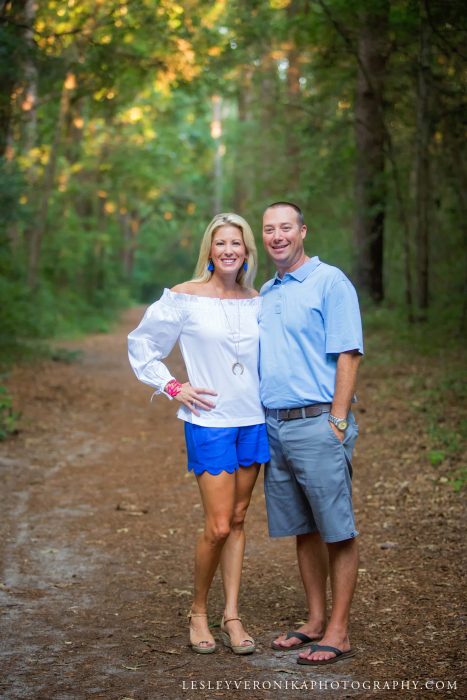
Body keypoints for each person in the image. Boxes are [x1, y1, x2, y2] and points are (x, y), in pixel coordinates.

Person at [127, 213, 270, 655]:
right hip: (209, 421)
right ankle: (198, 611)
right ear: (210, 249)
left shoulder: (259, 300)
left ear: (248, 251)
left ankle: (232, 615)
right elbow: (142, 344)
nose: (230, 250)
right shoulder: (184, 299)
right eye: (221, 242)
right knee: (219, 524)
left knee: (241, 519)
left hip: (254, 420)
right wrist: (174, 386)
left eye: (238, 243)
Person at [259, 201, 363, 666]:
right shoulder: (267, 290)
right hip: (275, 427)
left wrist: (337, 421)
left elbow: (349, 353)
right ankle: (315, 619)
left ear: (303, 230)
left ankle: (339, 631)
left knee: (336, 529)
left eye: (286, 227)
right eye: (269, 230)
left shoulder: (330, 282)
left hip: (319, 423)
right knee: (303, 528)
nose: (277, 236)